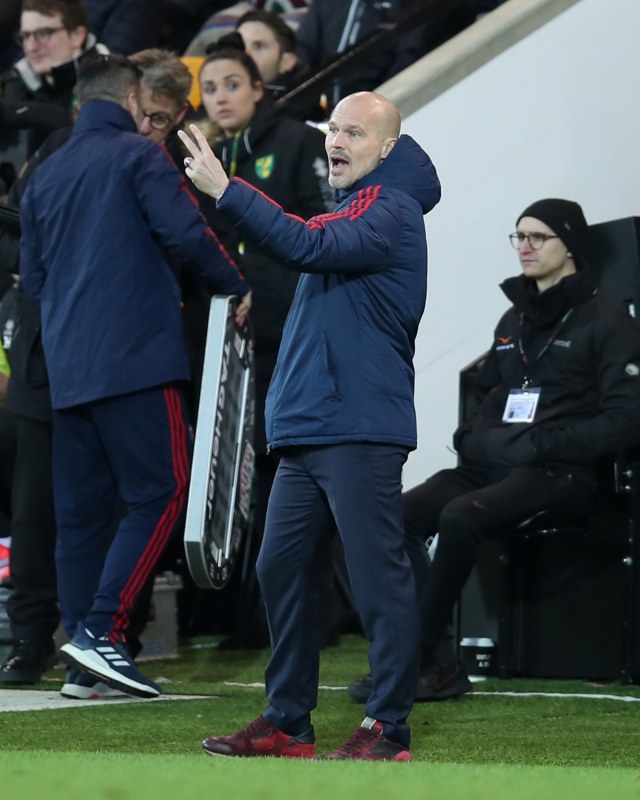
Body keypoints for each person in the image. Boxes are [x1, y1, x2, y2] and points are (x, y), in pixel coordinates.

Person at [179, 89, 441, 760]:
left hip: (356, 424)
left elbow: (301, 242)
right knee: (280, 566)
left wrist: (226, 190)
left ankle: (389, 727)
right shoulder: (355, 209)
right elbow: (309, 245)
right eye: (334, 130)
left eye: (355, 133)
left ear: (387, 148)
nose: (337, 141)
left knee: (377, 577)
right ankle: (289, 721)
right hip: (310, 426)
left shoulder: (393, 208)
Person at [18, 53, 251, 699]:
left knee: (83, 516)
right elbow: (186, 233)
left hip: (67, 368)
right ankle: (102, 635)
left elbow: (32, 280)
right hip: (136, 359)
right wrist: (236, 285)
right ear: (130, 100)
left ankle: (81, 665)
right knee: (162, 493)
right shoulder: (140, 156)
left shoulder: (47, 171)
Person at [348, 198, 640, 695]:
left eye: (537, 237)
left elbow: (626, 418)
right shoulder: (513, 321)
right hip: (500, 465)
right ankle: (437, 657)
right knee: (392, 517)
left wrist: (549, 443)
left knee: (461, 516)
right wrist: (473, 439)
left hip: (560, 472)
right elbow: (485, 392)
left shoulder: (607, 323)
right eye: (519, 237)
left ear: (570, 247)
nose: (524, 247)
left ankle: (414, 658)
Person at [193, 41, 333, 647]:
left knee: (289, 472)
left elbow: (320, 231)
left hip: (289, 335)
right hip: (234, 338)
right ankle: (244, 614)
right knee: (242, 474)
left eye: (232, 84)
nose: (220, 97)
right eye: (212, 88)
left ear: (258, 88)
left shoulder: (298, 141)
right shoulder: (209, 156)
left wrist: (258, 285)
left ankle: (302, 614)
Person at [0, 0, 109, 177]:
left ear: (77, 35)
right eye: (26, 36)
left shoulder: (111, 78)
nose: (31, 46)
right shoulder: (14, 79)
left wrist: (15, 112)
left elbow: (91, 130)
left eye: (43, 33)